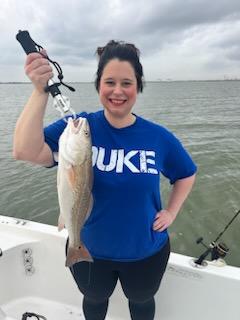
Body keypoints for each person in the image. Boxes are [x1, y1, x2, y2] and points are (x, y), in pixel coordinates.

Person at [13, 40, 197, 320]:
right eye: (109, 81)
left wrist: (171, 212)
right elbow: (24, 150)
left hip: (146, 251)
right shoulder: (80, 126)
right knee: (95, 300)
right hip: (88, 249)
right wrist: (40, 90)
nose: (118, 90)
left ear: (138, 86)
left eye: (127, 82)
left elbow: (186, 173)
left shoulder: (158, 137)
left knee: (142, 300)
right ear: (99, 85)